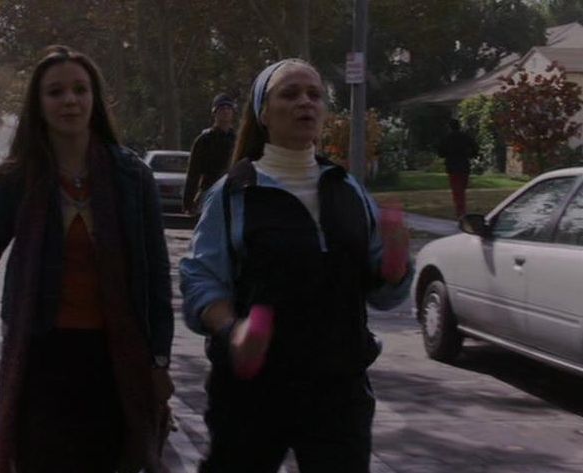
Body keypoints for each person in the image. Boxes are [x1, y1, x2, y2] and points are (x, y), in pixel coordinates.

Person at [0, 46, 174, 473]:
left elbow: (156, 273)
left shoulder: (132, 176)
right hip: (40, 352)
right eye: (55, 92)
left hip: (116, 355)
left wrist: (159, 360)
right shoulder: (17, 179)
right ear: (38, 104)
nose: (70, 100)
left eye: (80, 90)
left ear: (95, 98)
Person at [179, 59, 413, 473]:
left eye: (314, 94)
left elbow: (382, 292)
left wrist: (394, 268)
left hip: (338, 389)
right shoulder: (234, 193)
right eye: (290, 94)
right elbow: (201, 280)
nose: (305, 102)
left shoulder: (348, 188)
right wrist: (233, 331)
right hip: (252, 393)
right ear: (263, 113)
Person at [182, 93, 237, 215]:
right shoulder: (204, 140)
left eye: (228, 108)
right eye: (222, 108)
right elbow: (193, 173)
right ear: (215, 113)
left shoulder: (237, 140)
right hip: (209, 190)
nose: (225, 111)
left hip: (233, 192)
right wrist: (188, 202)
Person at [438, 119, 478, 218]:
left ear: (450, 127)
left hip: (452, 166)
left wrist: (448, 154)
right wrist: (470, 155)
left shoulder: (447, 138)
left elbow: (441, 153)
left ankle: (460, 210)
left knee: (456, 189)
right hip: (464, 165)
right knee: (462, 188)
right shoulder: (465, 137)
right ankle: (461, 209)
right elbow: (475, 148)